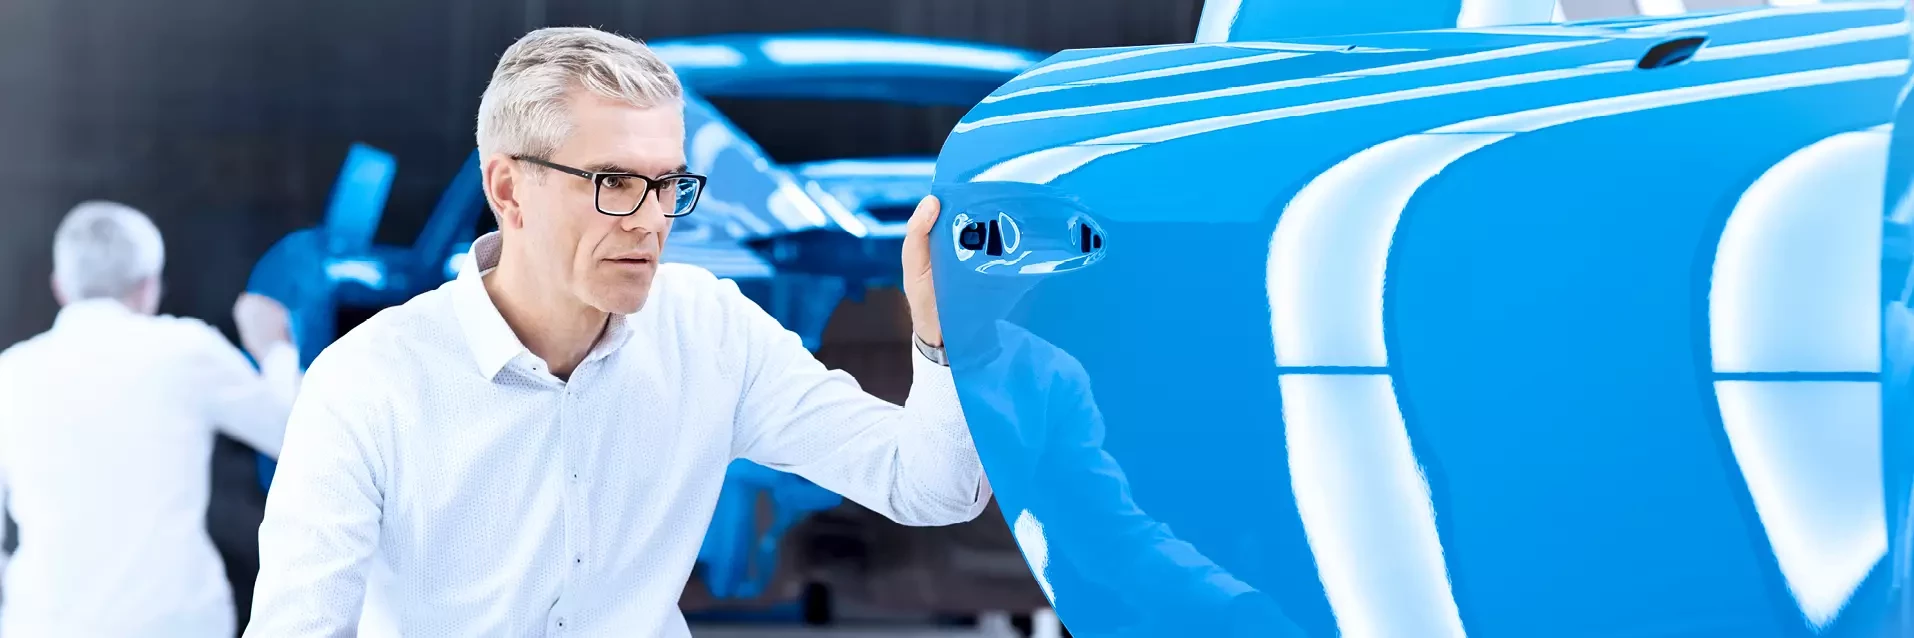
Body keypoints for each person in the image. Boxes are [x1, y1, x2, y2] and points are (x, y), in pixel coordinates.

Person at [246, 26, 990, 637]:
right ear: (508, 188)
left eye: (668, 185)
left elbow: (930, 490)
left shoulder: (710, 329)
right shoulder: (367, 382)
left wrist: (937, 338)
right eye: (613, 182)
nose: (651, 221)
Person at [0, 200, 301, 637]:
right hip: (174, 623)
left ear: (60, 286)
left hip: (45, 624)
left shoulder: (10, 374)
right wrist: (273, 348)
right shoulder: (186, 351)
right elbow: (300, 437)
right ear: (148, 286)